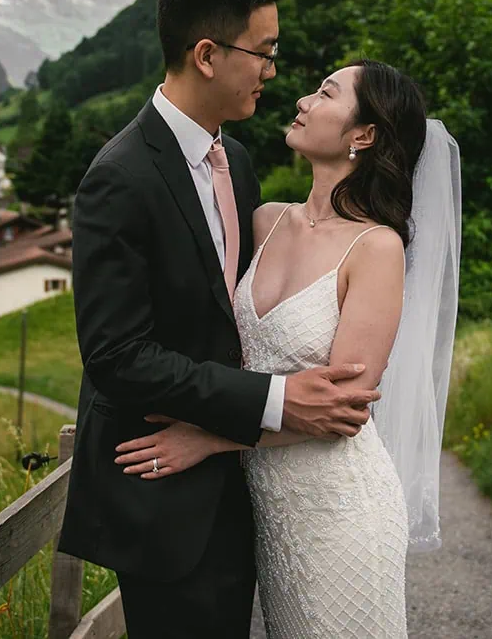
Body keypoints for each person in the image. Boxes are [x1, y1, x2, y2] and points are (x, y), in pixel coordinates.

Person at [57, 0, 382, 639]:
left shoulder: (235, 163)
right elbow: (115, 356)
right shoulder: (118, 179)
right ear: (207, 54)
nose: (272, 70)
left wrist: (234, 434)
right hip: (164, 498)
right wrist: (274, 400)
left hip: (244, 484)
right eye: (262, 51)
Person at [114, 59, 462, 639]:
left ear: (364, 135)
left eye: (325, 93)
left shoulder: (377, 248)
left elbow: (344, 410)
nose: (302, 100)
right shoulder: (265, 220)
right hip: (273, 516)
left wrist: (206, 438)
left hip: (341, 509)